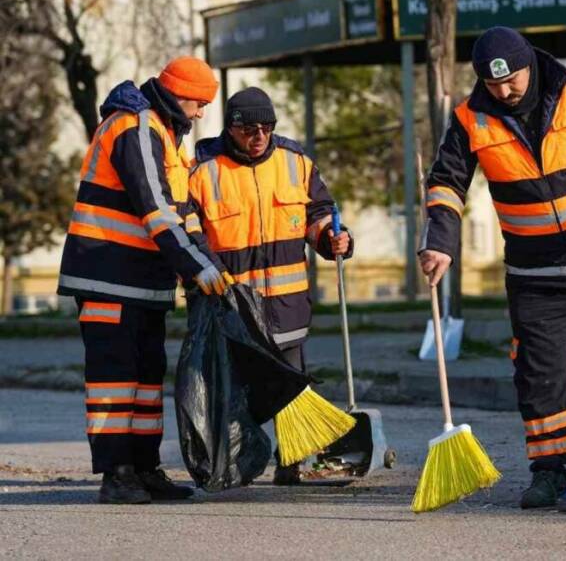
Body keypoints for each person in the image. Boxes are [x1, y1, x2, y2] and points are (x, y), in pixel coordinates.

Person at [419, 26, 566, 509]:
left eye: (512, 80)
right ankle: (549, 471)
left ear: (530, 62)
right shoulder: (470, 119)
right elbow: (446, 184)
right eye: (493, 84)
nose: (505, 91)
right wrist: (440, 242)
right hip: (535, 276)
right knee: (539, 376)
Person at [58, 56, 232, 504]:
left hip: (143, 281)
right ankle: (116, 473)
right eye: (199, 105)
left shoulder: (166, 137)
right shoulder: (135, 128)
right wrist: (196, 267)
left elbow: (184, 213)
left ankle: (144, 468)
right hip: (106, 274)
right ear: (181, 95)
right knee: (114, 376)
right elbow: (155, 209)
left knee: (147, 375)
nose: (200, 115)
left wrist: (207, 262)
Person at [188, 86, 352, 485]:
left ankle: (292, 461)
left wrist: (333, 240)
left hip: (286, 304)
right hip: (232, 311)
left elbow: (319, 213)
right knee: (233, 392)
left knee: (291, 389)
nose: (259, 136)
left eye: (267, 127)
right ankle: (229, 465)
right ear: (231, 128)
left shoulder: (296, 162)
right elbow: (190, 235)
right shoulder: (201, 171)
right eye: (249, 129)